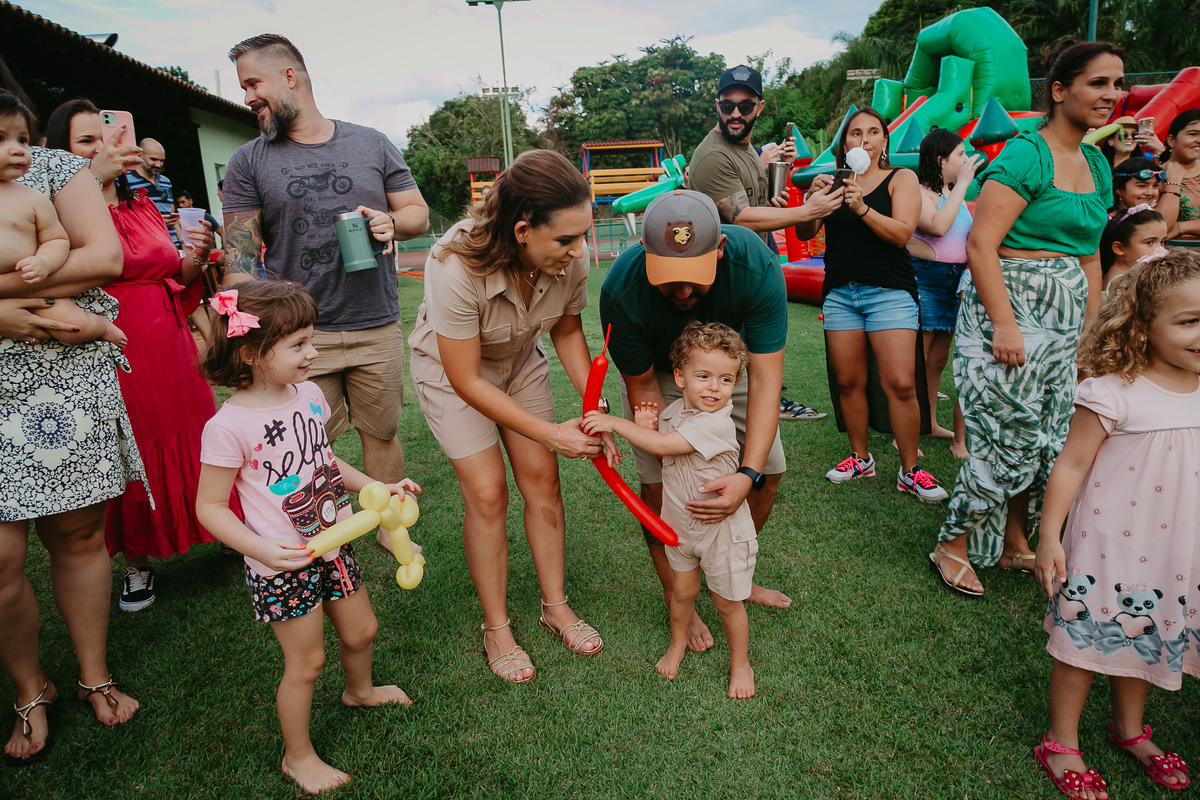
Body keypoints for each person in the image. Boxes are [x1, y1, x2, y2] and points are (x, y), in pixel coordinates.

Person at [196, 280, 419, 794]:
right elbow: (209, 507)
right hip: (282, 563)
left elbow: (326, 460)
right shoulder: (227, 426)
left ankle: (359, 692)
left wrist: (377, 485)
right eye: (298, 345)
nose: (313, 352)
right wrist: (260, 549)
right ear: (251, 354)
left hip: (333, 539)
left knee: (361, 631)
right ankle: (297, 757)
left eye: (310, 340)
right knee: (307, 661)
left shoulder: (311, 395)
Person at [222, 34, 429, 555]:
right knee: (307, 444)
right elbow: (239, 261)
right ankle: (322, 529)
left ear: (289, 77)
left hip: (374, 322)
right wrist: (257, 321)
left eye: (253, 83)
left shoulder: (371, 142)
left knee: (380, 433)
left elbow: (417, 214)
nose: (247, 97)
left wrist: (390, 221)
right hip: (298, 337)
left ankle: (388, 527)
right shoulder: (248, 161)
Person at [408, 149, 610, 683]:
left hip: (520, 359)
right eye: (565, 239)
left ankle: (555, 605)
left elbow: (566, 330)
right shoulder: (453, 263)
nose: (578, 250)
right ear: (522, 230)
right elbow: (467, 378)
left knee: (543, 479)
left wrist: (596, 409)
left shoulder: (572, 260)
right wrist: (551, 432)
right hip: (456, 371)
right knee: (488, 491)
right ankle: (497, 627)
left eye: (583, 235)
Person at [931, 40, 1121, 597]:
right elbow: (982, 245)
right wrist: (1006, 324)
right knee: (1004, 435)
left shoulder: (1094, 163)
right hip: (1008, 315)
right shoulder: (1025, 153)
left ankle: (1016, 539)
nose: (1111, 94)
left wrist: (1091, 331)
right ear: (1060, 91)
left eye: (1117, 84)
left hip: (1063, 328)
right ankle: (954, 543)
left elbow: (1089, 255)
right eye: (1098, 83)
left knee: (1047, 437)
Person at [0, 65, 141, 766]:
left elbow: (103, 256)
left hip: (60, 378)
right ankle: (30, 688)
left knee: (78, 530)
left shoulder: (53, 167)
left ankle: (93, 671)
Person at [44, 98, 225, 613]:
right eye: (84, 142)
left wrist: (194, 253)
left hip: (170, 343)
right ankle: (138, 563)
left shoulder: (143, 204)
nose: (101, 149)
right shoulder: (55, 214)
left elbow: (172, 280)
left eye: (106, 138)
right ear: (60, 154)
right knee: (134, 449)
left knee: (198, 435)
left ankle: (222, 526)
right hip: (113, 347)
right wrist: (89, 184)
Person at [1033, 250, 1199, 798]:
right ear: (1143, 326)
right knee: (1085, 642)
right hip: (1108, 544)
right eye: (1189, 321)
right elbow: (1071, 465)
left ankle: (1129, 730)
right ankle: (1062, 741)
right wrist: (1049, 536)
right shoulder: (1112, 390)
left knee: (1144, 634)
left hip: (1175, 546)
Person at [601, 189, 792, 655]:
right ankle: (678, 594)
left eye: (695, 277)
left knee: (768, 470)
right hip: (662, 376)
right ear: (645, 253)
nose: (683, 292)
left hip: (728, 369)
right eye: (669, 278)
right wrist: (652, 430)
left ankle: (729, 578)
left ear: (720, 250)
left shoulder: (754, 264)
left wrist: (747, 473)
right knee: (657, 487)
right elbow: (643, 385)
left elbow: (766, 379)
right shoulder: (621, 290)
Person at [584, 321, 758, 700]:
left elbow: (664, 447)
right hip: (681, 529)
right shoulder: (677, 412)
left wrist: (617, 422)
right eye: (703, 376)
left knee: (727, 602)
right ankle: (677, 644)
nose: (714, 387)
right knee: (682, 594)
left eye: (726, 380)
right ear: (680, 377)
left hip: (721, 533)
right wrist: (646, 423)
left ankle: (740, 663)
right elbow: (658, 441)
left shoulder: (717, 423)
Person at [795, 107, 949, 502]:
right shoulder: (831, 182)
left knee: (900, 382)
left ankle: (910, 469)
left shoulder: (902, 178)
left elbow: (900, 235)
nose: (863, 139)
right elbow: (805, 230)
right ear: (844, 144)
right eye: (854, 133)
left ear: (884, 142)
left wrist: (861, 206)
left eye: (873, 132)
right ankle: (860, 458)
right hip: (841, 293)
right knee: (848, 381)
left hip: (890, 292)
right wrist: (812, 200)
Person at [690, 65, 840, 422]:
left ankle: (766, 409)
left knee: (756, 365)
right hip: (725, 277)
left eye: (745, 105)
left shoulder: (747, 152)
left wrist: (800, 203)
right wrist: (806, 208)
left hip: (752, 275)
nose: (736, 114)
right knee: (728, 373)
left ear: (759, 106)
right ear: (717, 105)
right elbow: (740, 218)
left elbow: (757, 211)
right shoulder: (714, 155)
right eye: (728, 105)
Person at [0, 93, 125, 347]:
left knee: (73, 328)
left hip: (38, 287)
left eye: (23, 140)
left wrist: (44, 262)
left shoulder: (33, 199)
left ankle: (100, 325)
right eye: (0, 139)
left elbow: (56, 239)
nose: (17, 149)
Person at [907, 128, 982, 456]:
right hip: (926, 279)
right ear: (941, 160)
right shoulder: (919, 192)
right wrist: (963, 184)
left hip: (955, 281)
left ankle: (929, 421)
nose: (966, 161)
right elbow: (936, 227)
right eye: (960, 155)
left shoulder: (957, 195)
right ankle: (905, 429)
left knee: (937, 359)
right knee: (918, 360)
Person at [1098, 205, 1168, 297]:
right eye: (1149, 242)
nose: (1160, 249)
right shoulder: (1124, 283)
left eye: (1162, 242)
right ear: (1119, 248)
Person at [1151, 110, 1200, 239]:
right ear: (1171, 140)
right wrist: (1173, 183)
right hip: (1169, 256)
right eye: (1193, 134)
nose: (1199, 140)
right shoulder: (1153, 177)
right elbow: (1159, 228)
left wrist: (1181, 227)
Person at [125, 137, 180, 249]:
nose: (158, 165)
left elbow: (172, 216)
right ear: (140, 155)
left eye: (161, 161)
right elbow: (124, 218)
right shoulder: (125, 180)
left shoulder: (166, 182)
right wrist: (158, 222)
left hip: (173, 244)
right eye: (154, 159)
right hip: (148, 246)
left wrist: (183, 243)